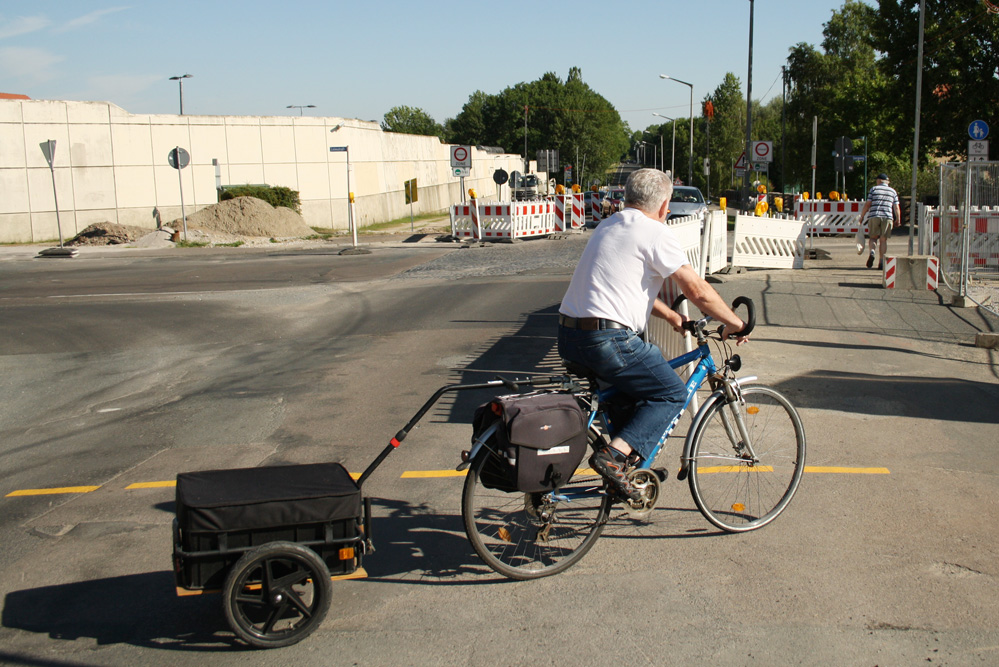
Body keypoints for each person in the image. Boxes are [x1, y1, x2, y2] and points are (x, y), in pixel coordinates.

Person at [557, 168, 749, 501]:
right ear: (663, 205)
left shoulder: (608, 225)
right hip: (609, 342)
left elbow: (628, 288)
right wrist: (734, 323)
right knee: (672, 393)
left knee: (629, 397)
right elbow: (697, 290)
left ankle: (626, 473)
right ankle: (613, 457)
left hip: (570, 336)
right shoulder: (655, 233)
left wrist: (675, 316)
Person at [859, 173, 901, 271]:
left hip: (874, 216)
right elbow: (896, 207)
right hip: (887, 217)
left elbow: (868, 204)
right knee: (883, 240)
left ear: (879, 180)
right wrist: (898, 219)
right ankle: (881, 261)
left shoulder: (874, 189)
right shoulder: (893, 191)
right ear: (887, 182)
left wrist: (862, 216)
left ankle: (872, 252)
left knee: (873, 238)